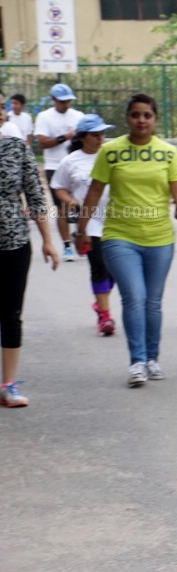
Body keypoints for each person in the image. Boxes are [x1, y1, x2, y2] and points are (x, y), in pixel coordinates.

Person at [82, 94, 177, 387]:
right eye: (136, 115)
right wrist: (81, 228)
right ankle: (137, 361)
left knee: (153, 302)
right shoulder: (111, 151)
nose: (141, 121)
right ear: (128, 118)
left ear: (155, 119)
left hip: (159, 238)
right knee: (134, 297)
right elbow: (95, 192)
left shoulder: (167, 153)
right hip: (119, 235)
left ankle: (152, 358)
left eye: (147, 115)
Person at [0, 133, 60, 407]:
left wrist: (48, 240)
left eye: (1, 107)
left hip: (14, 244)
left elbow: (35, 196)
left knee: (11, 314)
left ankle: (9, 386)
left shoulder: (15, 147)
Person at [51, 114, 116, 336]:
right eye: (94, 135)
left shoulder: (111, 155)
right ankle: (105, 317)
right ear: (82, 137)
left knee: (115, 269)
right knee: (99, 265)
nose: (100, 139)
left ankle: (101, 302)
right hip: (90, 222)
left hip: (117, 220)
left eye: (102, 134)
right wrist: (69, 200)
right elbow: (58, 186)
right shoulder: (71, 161)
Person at [34, 84, 85, 262]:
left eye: (69, 100)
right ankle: (67, 247)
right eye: (63, 101)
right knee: (62, 208)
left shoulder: (78, 116)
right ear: (54, 100)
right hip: (54, 167)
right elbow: (42, 142)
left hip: (76, 166)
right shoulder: (44, 117)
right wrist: (66, 136)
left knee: (80, 205)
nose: (67, 104)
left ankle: (79, 235)